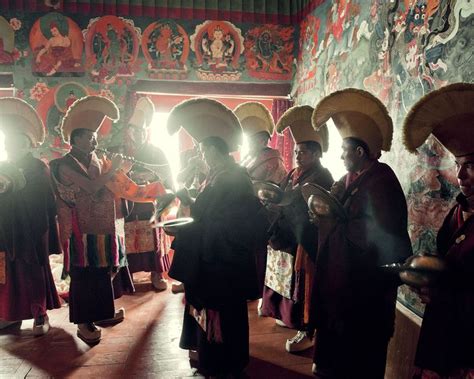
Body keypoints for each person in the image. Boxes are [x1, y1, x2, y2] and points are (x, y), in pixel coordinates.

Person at [309, 88, 412, 378]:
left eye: (344, 151)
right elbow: (335, 213)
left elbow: (377, 238)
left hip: (365, 292)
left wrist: (331, 224)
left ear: (359, 152)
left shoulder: (381, 182)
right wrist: (320, 215)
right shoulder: (348, 179)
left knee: (360, 360)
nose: (340, 157)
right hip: (340, 286)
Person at [51, 95, 165, 344]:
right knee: (84, 276)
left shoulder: (97, 160)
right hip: (80, 230)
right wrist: (114, 169)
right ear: (75, 139)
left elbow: (112, 185)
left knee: (103, 273)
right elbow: (92, 188)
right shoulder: (62, 165)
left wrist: (122, 173)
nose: (94, 141)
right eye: (89, 136)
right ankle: (83, 323)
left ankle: (102, 314)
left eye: (95, 136)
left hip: (105, 226)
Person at [166, 98, 264, 377]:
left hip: (223, 260)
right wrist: (191, 202)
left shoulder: (234, 179)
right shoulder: (220, 175)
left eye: (202, 150)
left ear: (213, 150)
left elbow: (228, 221)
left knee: (222, 313)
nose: (201, 156)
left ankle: (224, 365)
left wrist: (194, 223)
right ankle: (215, 361)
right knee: (212, 312)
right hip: (214, 256)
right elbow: (208, 211)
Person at [403, 83, 474, 379]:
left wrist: (447, 293)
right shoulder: (458, 209)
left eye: (470, 165)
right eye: (457, 165)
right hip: (444, 327)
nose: (459, 176)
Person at [260, 105, 334, 353]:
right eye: (296, 151)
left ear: (315, 154)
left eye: (303, 152)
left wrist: (282, 199)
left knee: (303, 284)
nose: (298, 156)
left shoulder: (323, 176)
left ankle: (306, 328)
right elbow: (282, 192)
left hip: (305, 238)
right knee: (283, 278)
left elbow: (302, 201)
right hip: (285, 233)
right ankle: (286, 315)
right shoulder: (293, 172)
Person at [0, 97, 61, 335]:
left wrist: (15, 190)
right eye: (8, 143)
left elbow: (43, 201)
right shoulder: (3, 166)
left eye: (16, 142)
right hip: (6, 228)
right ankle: (10, 315)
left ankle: (40, 314)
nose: (10, 147)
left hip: (31, 228)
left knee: (32, 272)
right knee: (7, 273)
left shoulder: (38, 167)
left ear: (27, 144)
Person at [110, 97, 173, 292]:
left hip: (149, 204)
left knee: (152, 238)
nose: (137, 134)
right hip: (127, 205)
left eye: (141, 130)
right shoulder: (120, 152)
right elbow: (113, 178)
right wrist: (125, 172)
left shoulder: (157, 152)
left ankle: (156, 274)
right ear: (128, 131)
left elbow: (167, 179)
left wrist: (150, 179)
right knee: (127, 240)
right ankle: (129, 276)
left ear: (147, 132)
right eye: (134, 130)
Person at [234, 101, 287, 307]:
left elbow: (275, 189)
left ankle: (257, 291)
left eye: (255, 139)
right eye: (249, 139)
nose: (251, 143)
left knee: (258, 255)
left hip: (261, 214)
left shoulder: (273, 160)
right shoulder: (249, 157)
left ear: (265, 139)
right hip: (245, 213)